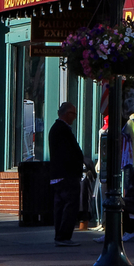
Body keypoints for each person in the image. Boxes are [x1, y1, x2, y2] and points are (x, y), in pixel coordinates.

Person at [48, 101, 91, 246]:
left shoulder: (57, 129)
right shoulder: (62, 129)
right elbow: (68, 153)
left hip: (59, 175)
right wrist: (79, 164)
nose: (75, 117)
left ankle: (60, 236)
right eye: (73, 114)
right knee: (69, 206)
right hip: (66, 175)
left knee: (61, 206)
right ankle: (64, 236)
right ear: (67, 114)